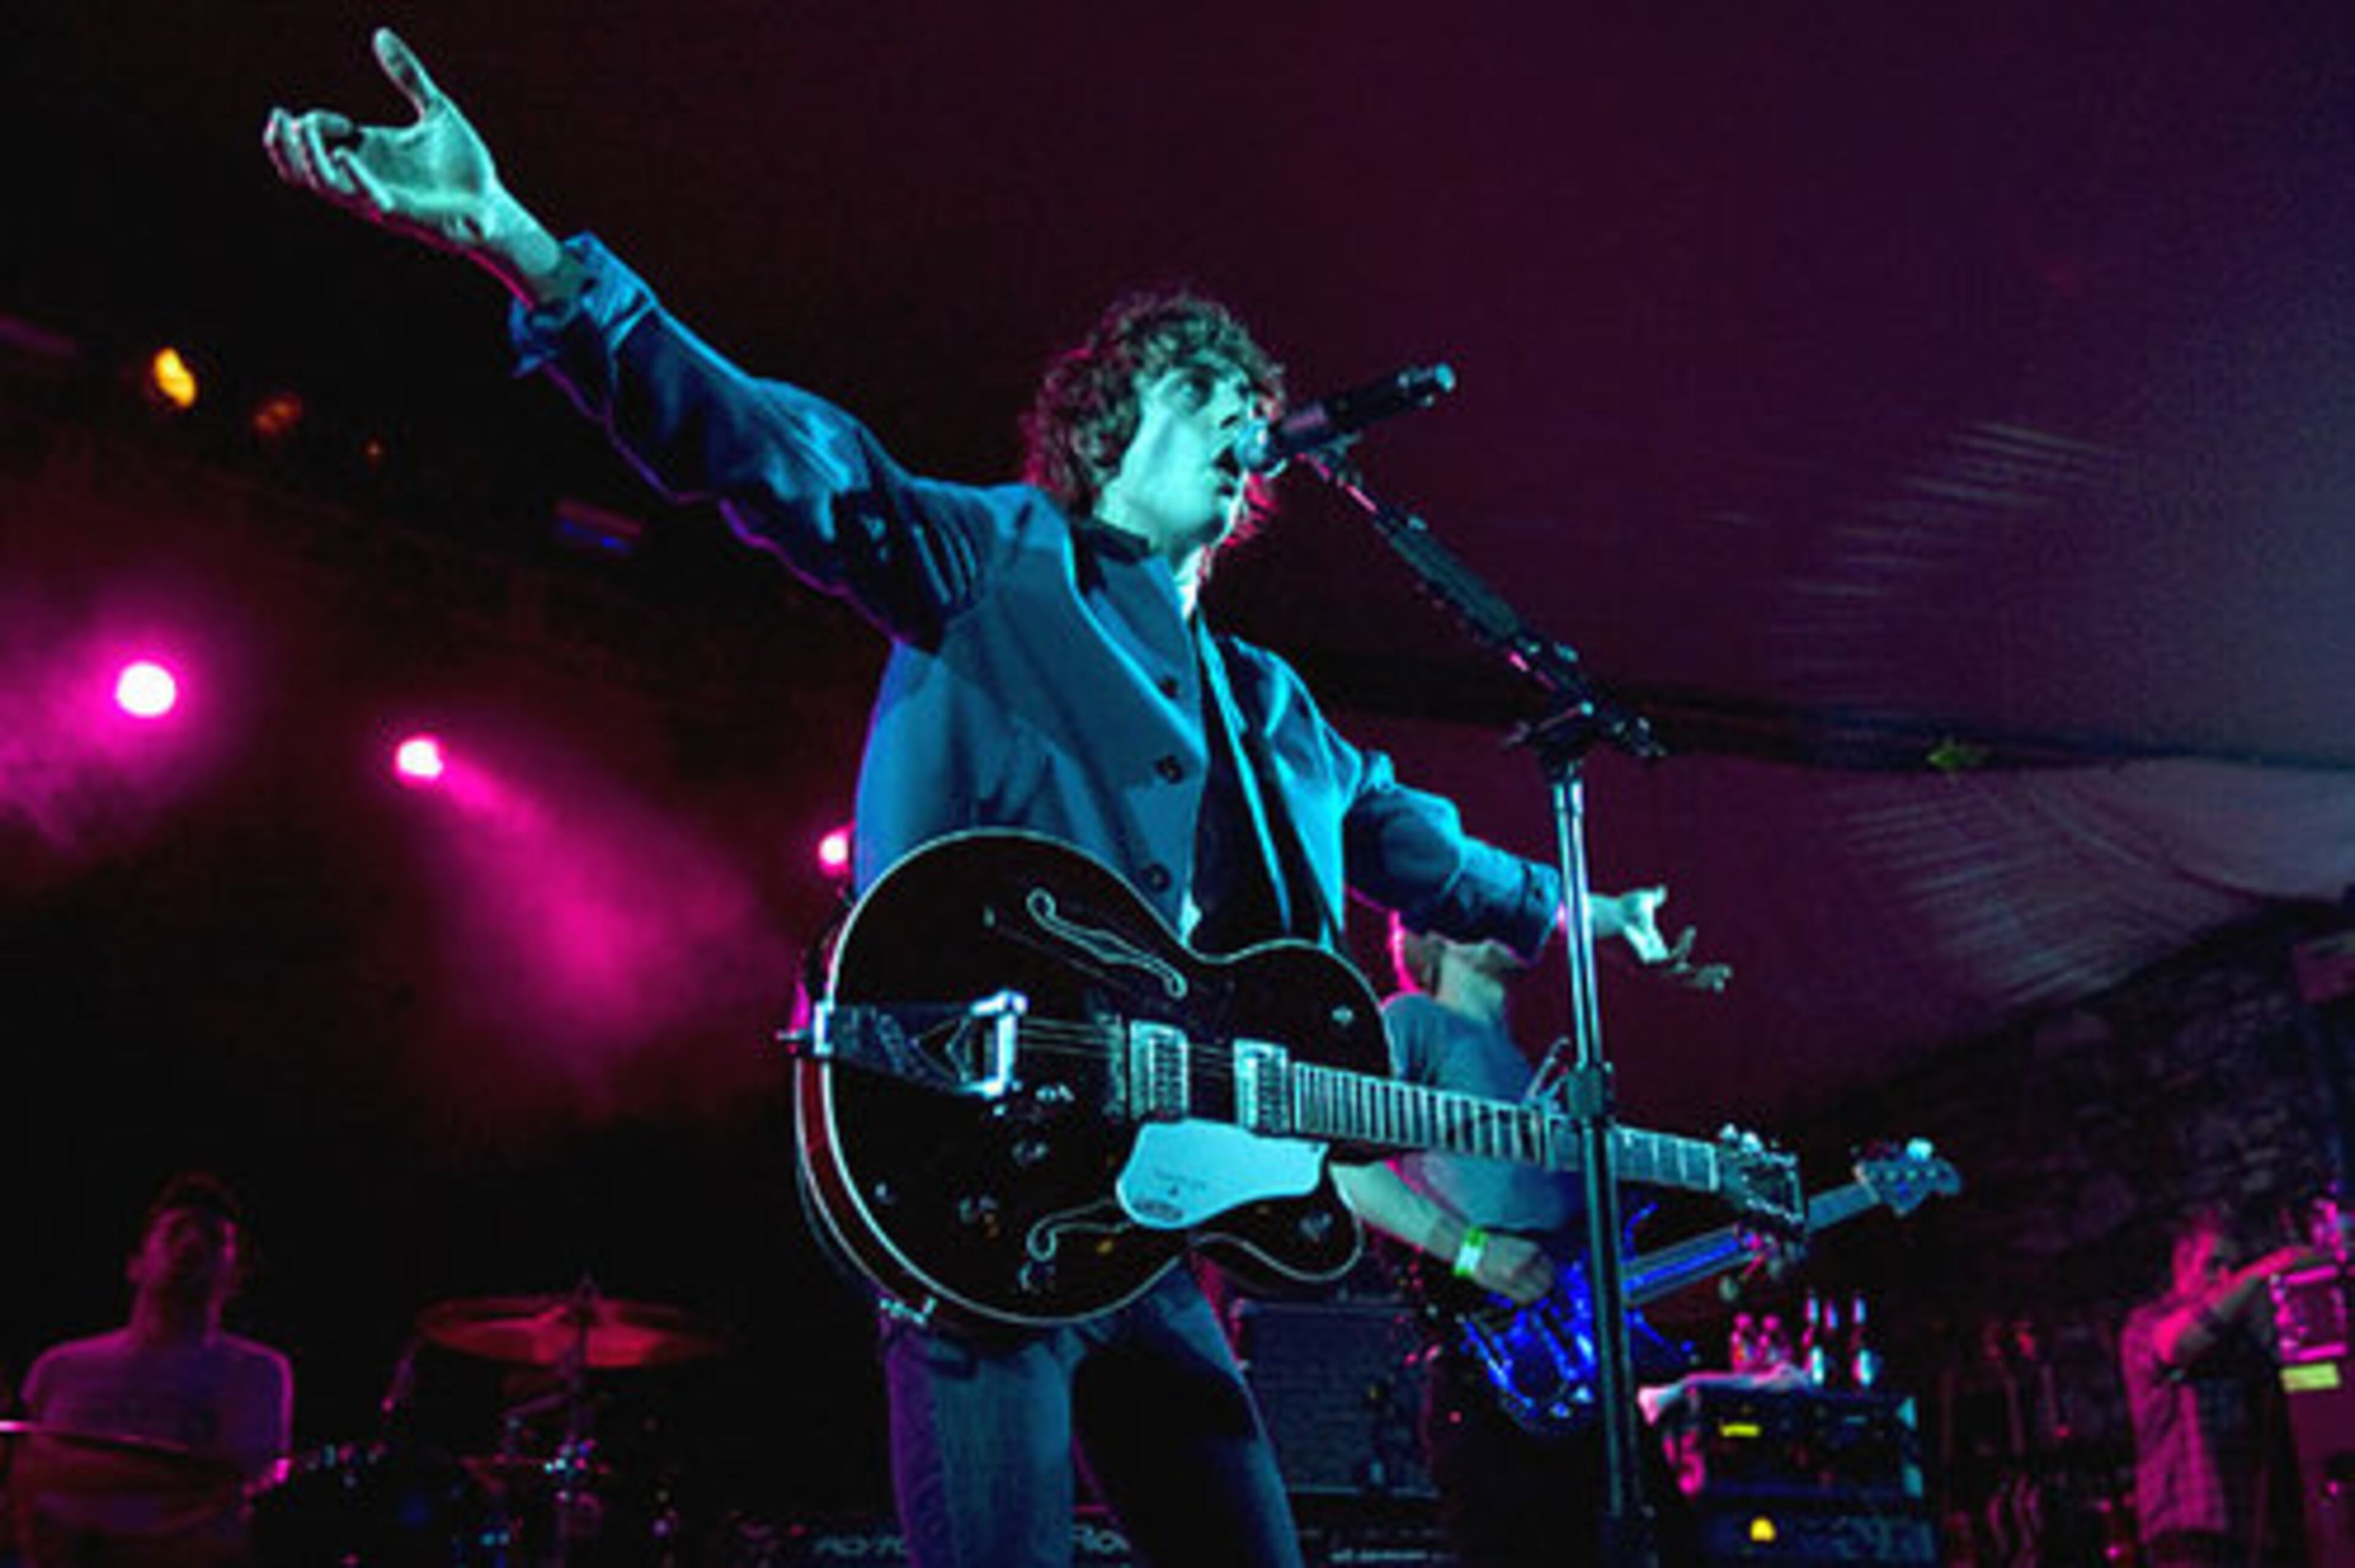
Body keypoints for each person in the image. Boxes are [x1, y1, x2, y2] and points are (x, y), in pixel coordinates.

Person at [260, 33, 1677, 1566]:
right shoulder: (998, 560)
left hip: (1152, 1215)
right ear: (1103, 431)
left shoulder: (1270, 705)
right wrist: (532, 254)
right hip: (974, 1169)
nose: (1234, 412)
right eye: (1197, 387)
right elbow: (781, 459)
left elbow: (1414, 842)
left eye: (1241, 396)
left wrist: (1578, 906)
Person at [1332, 922, 1721, 1566]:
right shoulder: (1414, 1020)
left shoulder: (1545, 1063)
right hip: (1492, 1369)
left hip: (1589, 1371)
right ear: (1433, 935)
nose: (1504, 918)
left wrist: (1737, 1266)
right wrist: (1470, 1250)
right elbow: (1341, 1160)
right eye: (1479, 908)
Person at [7, 1174, 294, 1567]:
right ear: (136, 1265)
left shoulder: (258, 1374)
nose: (191, 1244)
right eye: (176, 1231)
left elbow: (241, 1496)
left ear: (236, 1278)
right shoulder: (59, 1368)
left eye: (212, 1238)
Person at [2118, 1204, 2310, 1567]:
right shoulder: (2146, 1323)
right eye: (2212, 1265)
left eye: (2231, 1268)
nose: (2224, 1278)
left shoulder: (2239, 1335)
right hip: (2188, 1531)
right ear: (2181, 1266)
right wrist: (2257, 1275)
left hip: (2251, 1531)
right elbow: (2178, 1345)